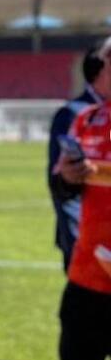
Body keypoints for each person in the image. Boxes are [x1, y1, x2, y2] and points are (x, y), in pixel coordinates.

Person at [51, 35, 111, 360]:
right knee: (77, 357)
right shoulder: (87, 120)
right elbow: (65, 184)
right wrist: (71, 177)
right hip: (90, 266)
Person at [47, 45, 108, 270]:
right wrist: (76, 237)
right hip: (86, 242)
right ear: (101, 72)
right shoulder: (73, 114)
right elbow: (59, 184)